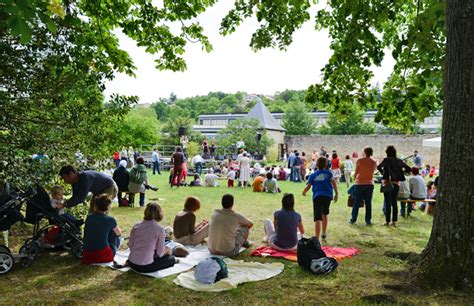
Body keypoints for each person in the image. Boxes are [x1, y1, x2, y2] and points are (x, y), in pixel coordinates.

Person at [126, 202, 176, 272]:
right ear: (159, 213)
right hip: (145, 266)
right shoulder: (159, 229)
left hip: (131, 262)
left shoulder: (136, 225)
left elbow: (130, 245)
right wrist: (167, 250)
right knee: (171, 259)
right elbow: (160, 253)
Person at [302, 157, 338, 241]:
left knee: (318, 217)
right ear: (326, 164)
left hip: (317, 196)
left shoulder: (313, 175)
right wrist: (336, 193)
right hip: (327, 196)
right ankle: (323, 234)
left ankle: (317, 238)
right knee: (324, 214)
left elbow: (308, 186)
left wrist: (304, 192)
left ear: (316, 164)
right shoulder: (329, 173)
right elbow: (334, 183)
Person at [377, 145, 411, 227]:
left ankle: (387, 221)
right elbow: (408, 169)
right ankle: (394, 221)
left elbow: (378, 167)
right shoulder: (399, 161)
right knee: (394, 202)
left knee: (388, 202)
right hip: (396, 183)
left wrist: (382, 172)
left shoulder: (386, 160)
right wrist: (400, 173)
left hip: (387, 183)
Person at [82, 195, 122, 264]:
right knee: (114, 234)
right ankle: (112, 248)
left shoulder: (89, 217)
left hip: (87, 255)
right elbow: (118, 233)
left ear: (95, 206)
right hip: (103, 256)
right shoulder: (110, 220)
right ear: (108, 206)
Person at [349, 147, 377, 225]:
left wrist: (354, 178)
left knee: (356, 202)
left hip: (359, 183)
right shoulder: (374, 161)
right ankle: (368, 220)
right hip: (369, 184)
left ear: (364, 152)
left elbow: (356, 172)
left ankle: (353, 219)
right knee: (368, 203)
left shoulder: (360, 161)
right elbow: (374, 171)